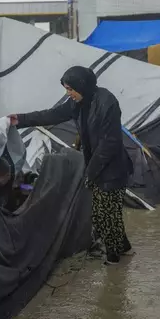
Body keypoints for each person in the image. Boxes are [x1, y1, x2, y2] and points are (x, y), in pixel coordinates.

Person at [8, 66, 133, 265]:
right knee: (108, 211)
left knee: (105, 214)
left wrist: (89, 174)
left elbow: (109, 144)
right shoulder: (77, 103)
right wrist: (21, 119)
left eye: (70, 89)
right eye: (66, 89)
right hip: (96, 165)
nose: (68, 93)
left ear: (81, 86)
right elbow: (52, 114)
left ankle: (114, 261)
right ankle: (124, 247)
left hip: (112, 168)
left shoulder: (107, 103)